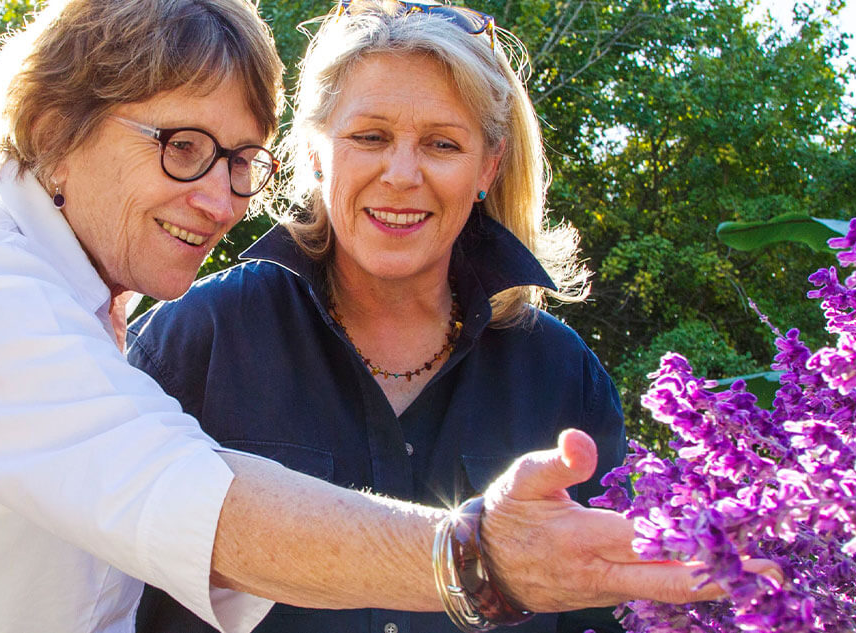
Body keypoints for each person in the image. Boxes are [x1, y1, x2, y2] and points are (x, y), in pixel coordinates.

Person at [0, 1, 752, 632]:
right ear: (57, 131)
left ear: (488, 164)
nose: (221, 200)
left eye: (236, 161)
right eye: (182, 146)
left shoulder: (76, 307)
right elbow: (194, 499)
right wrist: (475, 556)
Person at [128, 1, 624, 632]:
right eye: (370, 137)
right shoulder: (195, 339)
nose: (401, 174)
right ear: (313, 151)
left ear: (487, 167)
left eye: (442, 144)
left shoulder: (561, 377)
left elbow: (610, 615)